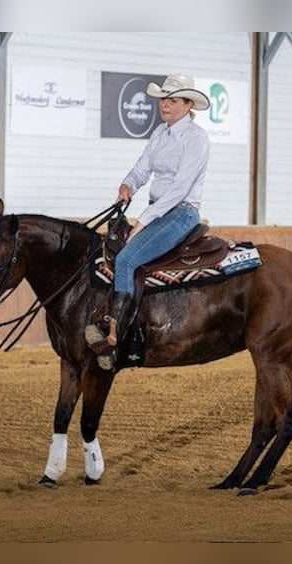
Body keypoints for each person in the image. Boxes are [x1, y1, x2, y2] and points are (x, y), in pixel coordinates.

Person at [85, 74, 211, 370]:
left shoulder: (196, 139)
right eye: (163, 99)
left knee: (127, 259)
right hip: (158, 210)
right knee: (111, 251)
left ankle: (119, 337)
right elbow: (142, 168)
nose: (164, 105)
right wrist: (128, 185)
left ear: (187, 104)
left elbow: (180, 189)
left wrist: (142, 221)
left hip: (180, 212)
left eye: (172, 100)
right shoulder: (160, 133)